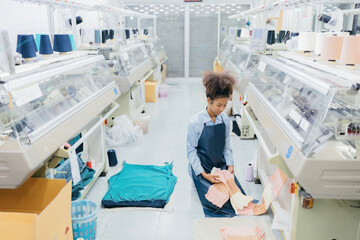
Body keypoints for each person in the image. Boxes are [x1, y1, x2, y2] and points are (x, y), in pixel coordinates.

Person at [187, 71, 250, 217]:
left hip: (219, 168)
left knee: (237, 199)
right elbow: (190, 152)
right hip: (203, 169)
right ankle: (197, 182)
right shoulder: (196, 122)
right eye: (219, 105)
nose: (222, 109)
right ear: (208, 100)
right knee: (218, 203)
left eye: (225, 105)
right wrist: (204, 174)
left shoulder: (224, 120)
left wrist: (230, 165)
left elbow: (227, 146)